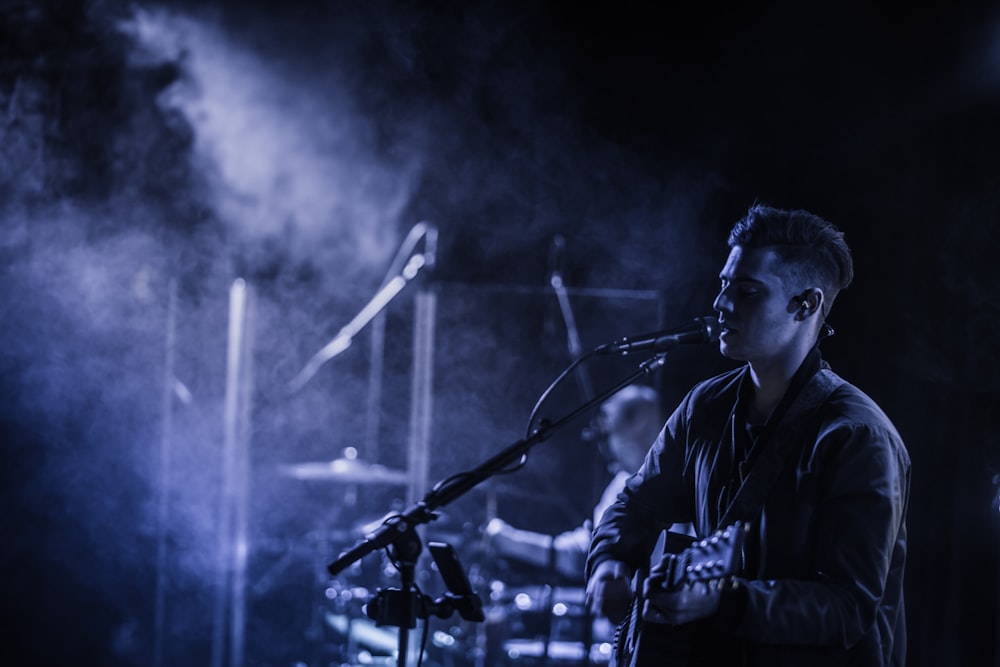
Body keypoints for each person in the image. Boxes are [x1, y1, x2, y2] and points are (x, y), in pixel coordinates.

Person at [585, 203, 910, 666]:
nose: (721, 304)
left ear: (807, 304)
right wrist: (609, 563)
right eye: (723, 285)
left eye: (748, 291)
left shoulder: (858, 438)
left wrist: (728, 602)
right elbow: (635, 505)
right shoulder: (705, 406)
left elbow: (848, 609)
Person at [486, 384, 669, 580]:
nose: (604, 448)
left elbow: (580, 556)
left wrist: (509, 541)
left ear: (642, 431)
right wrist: (509, 541)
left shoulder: (684, 482)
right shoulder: (622, 483)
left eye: (610, 434)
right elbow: (584, 552)